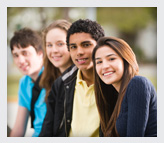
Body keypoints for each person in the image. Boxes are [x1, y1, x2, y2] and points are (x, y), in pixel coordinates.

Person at [39, 19, 105, 137]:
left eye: (86, 45)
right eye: (73, 46)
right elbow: (47, 130)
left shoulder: (112, 83)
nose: (79, 52)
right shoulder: (60, 83)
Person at [92, 36, 157, 137]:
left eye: (111, 59)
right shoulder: (112, 95)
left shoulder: (138, 83)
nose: (104, 66)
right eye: (99, 62)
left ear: (125, 60)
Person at [9, 28, 46, 137]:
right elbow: (19, 128)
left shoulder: (53, 78)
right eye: (16, 55)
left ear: (40, 54)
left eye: (25, 53)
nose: (20, 60)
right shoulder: (24, 83)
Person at [39, 19, 73, 101]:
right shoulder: (48, 79)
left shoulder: (81, 81)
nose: (54, 50)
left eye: (60, 44)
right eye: (49, 45)